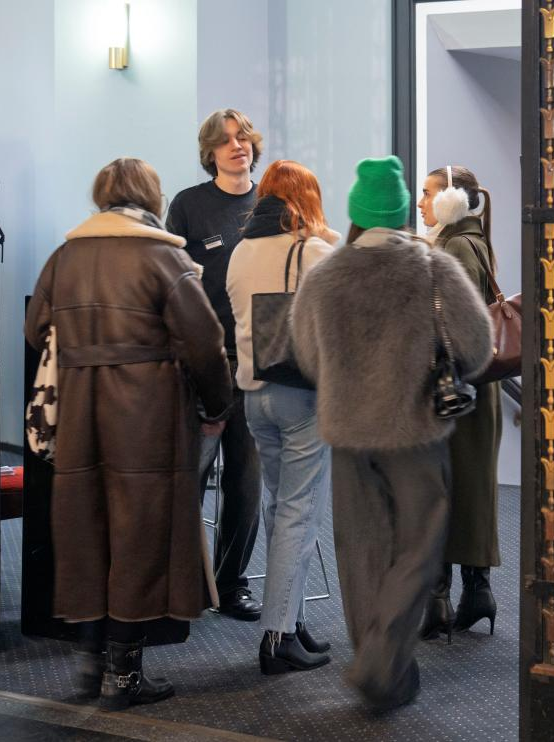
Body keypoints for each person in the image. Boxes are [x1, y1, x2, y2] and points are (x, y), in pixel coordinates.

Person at [25, 158, 234, 708]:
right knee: (140, 533)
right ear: (151, 197)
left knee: (86, 530)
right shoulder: (164, 257)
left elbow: (35, 329)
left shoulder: (65, 256)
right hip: (149, 414)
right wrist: (217, 405)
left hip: (79, 409)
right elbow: (205, 342)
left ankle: (90, 665)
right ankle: (124, 675)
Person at [291, 156, 492, 711]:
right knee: (419, 546)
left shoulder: (324, 275)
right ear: (403, 212)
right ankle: (382, 663)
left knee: (360, 551)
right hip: (416, 433)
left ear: (356, 213)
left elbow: (307, 356)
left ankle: (379, 665)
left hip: (348, 433)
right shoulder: (433, 270)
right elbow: (477, 347)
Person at [225, 160, 338, 674]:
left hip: (254, 397)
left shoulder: (240, 251)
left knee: (279, 509)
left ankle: (290, 619)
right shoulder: (312, 251)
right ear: (306, 200)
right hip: (301, 396)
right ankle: (277, 637)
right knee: (299, 513)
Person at [166, 108, 264, 621]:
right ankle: (184, 584)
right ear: (210, 153)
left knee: (245, 482)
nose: (236, 146)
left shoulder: (271, 204)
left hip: (254, 360)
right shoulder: (188, 205)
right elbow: (173, 282)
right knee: (190, 478)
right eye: (225, 140)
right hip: (203, 362)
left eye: (243, 137)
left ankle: (231, 583)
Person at [416, 165, 502, 640]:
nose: (421, 203)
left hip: (457, 389)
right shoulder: (469, 240)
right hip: (472, 387)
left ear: (452, 199)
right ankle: (475, 593)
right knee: (469, 490)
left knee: (446, 490)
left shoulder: (455, 247)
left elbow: (455, 321)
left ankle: (441, 600)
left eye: (428, 194)